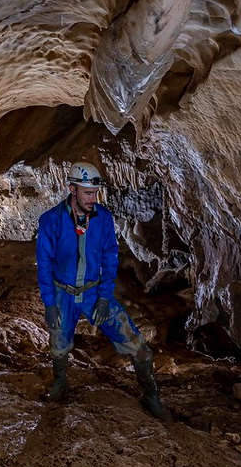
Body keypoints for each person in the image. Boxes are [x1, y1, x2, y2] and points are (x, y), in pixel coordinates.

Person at [35, 160, 170, 420]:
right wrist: (49, 304)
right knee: (59, 346)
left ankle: (151, 397)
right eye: (87, 193)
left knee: (139, 347)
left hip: (94, 292)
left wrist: (105, 298)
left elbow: (110, 258)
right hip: (63, 294)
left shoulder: (103, 218)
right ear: (72, 190)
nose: (92, 199)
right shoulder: (51, 221)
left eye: (95, 193)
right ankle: (60, 383)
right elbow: (44, 264)